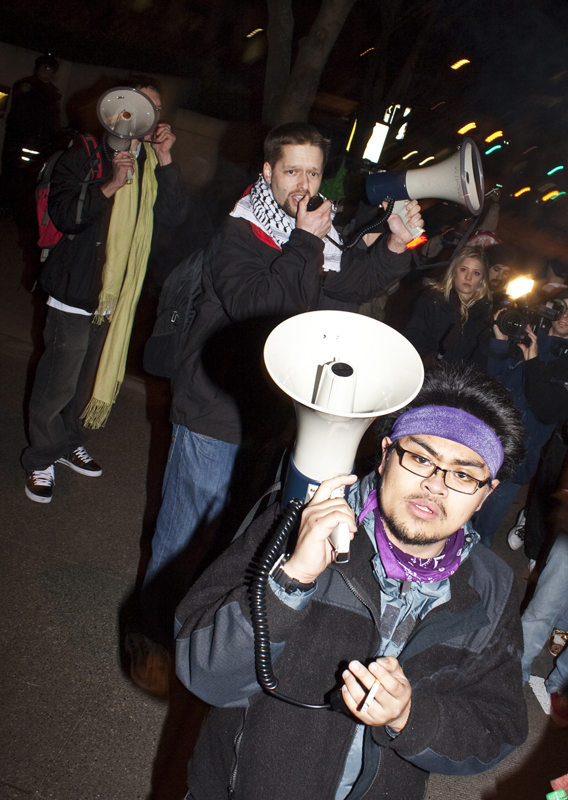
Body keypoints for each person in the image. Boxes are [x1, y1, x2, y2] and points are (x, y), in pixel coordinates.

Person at [128, 122, 423, 695]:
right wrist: (307, 243)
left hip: (268, 418)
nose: (304, 184)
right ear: (268, 172)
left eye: (313, 172)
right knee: (184, 530)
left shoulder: (310, 235)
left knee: (234, 532)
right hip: (214, 411)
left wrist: (391, 246)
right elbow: (261, 304)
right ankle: (153, 637)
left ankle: (206, 635)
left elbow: (343, 287)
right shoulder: (242, 230)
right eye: (292, 171)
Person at [174, 363, 527, 800]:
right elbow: (204, 674)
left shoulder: (494, 587)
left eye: (463, 474)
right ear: (384, 456)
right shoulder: (293, 522)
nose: (435, 486)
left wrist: (410, 716)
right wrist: (292, 580)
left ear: (485, 494)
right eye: (419, 458)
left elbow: (499, 725)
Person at [22, 80, 189, 503]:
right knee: (58, 381)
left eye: (157, 107)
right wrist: (112, 184)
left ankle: (67, 440)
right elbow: (65, 214)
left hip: (114, 297)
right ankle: (41, 457)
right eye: (143, 105)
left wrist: (166, 161)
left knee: (85, 382)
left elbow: (172, 220)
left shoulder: (152, 160)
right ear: (120, 110)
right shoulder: (85, 151)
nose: (151, 115)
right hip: (75, 289)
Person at [477, 289, 568, 548]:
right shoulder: (528, 334)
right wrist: (500, 340)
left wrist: (534, 361)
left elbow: (547, 410)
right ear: (553, 307)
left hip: (521, 454)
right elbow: (496, 380)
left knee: (483, 533)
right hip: (488, 437)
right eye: (564, 308)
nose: (567, 317)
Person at [402, 245, 491, 368]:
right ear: (454, 271)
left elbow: (483, 357)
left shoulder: (486, 312)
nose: (468, 277)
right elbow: (413, 336)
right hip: (429, 376)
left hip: (462, 383)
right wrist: (428, 358)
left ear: (482, 279)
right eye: (463, 269)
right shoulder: (432, 300)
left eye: (476, 273)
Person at [0, 54, 61, 215]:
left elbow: (52, 118)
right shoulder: (28, 85)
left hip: (41, 143)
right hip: (23, 140)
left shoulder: (53, 93)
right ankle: (8, 206)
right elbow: (21, 114)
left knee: (30, 176)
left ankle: (17, 208)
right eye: (43, 67)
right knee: (16, 173)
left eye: (49, 68)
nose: (45, 71)